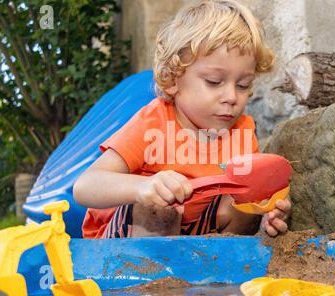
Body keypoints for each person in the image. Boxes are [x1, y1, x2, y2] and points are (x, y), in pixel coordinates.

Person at [73, 0, 291, 239]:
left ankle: (218, 264)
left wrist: (268, 216)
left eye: (243, 85)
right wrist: (143, 187)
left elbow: (258, 196)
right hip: (125, 247)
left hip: (194, 241)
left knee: (241, 198)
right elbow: (85, 186)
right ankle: (156, 276)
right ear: (173, 80)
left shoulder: (242, 131)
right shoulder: (154, 122)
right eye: (214, 82)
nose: (231, 97)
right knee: (161, 208)